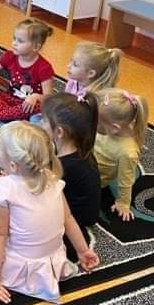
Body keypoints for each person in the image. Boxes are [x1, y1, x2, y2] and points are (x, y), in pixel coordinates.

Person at [0, 122, 100, 304]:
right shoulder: (51, 179)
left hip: (16, 267)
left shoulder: (3, 187)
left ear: (13, 165)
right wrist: (83, 251)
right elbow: (67, 218)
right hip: (49, 261)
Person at [41, 93, 101, 248]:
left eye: (44, 120)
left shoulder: (64, 165)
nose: (41, 124)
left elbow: (40, 188)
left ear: (60, 132)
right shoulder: (81, 151)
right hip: (87, 211)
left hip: (77, 217)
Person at [0, 18, 55, 121]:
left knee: (38, 111)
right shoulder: (9, 56)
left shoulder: (44, 67)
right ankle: (10, 114)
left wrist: (36, 96)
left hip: (29, 105)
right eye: (14, 38)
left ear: (36, 47)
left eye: (20, 41)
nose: (14, 43)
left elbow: (49, 98)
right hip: (9, 99)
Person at [94, 88, 149, 222]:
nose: (95, 125)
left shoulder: (128, 152)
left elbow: (126, 180)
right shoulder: (109, 129)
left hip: (93, 178)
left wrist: (123, 203)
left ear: (114, 128)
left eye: (99, 123)